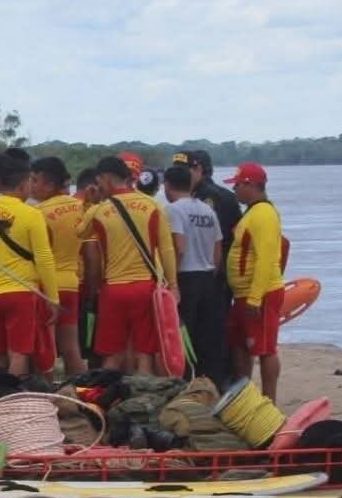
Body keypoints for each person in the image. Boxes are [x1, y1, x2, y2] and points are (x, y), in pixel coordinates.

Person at [80, 156, 176, 373]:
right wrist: (173, 285)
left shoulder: (100, 210)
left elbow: (81, 232)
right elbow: (167, 249)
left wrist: (90, 203)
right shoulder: (152, 205)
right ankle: (144, 400)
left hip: (113, 290)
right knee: (145, 354)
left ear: (105, 179)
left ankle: (107, 400)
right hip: (145, 288)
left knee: (112, 356)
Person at [0, 156, 58, 375]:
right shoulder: (31, 214)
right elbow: (44, 259)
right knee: (18, 353)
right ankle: (13, 401)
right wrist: (53, 298)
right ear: (21, 185)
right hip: (20, 293)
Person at [224, 162, 285, 400]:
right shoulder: (252, 212)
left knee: (264, 348)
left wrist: (256, 297)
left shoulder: (264, 214)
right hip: (243, 294)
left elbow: (266, 259)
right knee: (239, 345)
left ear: (249, 185)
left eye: (237, 185)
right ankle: (245, 397)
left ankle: (269, 400)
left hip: (261, 293)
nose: (235, 190)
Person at [162, 165, 224, 383]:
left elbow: (178, 247)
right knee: (205, 337)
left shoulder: (173, 210)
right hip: (207, 277)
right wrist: (211, 272)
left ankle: (186, 383)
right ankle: (209, 383)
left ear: (167, 185)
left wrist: (171, 280)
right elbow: (218, 248)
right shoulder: (207, 210)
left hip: (185, 278)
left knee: (183, 335)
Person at [29, 157, 87, 375]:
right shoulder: (82, 207)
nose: (31, 185)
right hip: (72, 283)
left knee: (46, 349)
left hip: (46, 286)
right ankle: (84, 393)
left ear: (50, 185)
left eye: (35, 180)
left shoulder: (37, 213)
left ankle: (46, 398)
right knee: (72, 349)